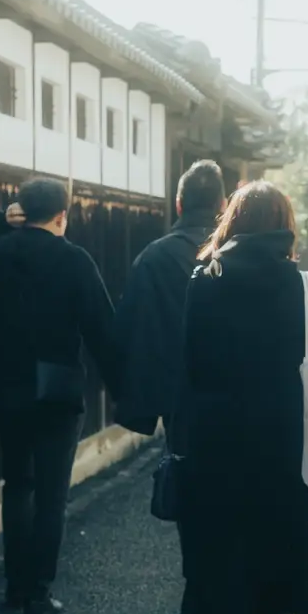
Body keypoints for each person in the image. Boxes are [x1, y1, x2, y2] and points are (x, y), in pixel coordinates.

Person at [171, 181, 308, 614]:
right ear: (285, 221)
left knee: (226, 540)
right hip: (282, 428)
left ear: (232, 220)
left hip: (218, 430)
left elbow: (189, 364)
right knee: (276, 532)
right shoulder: (299, 283)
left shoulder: (205, 277)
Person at [0, 177, 120, 614]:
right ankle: (38, 595)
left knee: (18, 485)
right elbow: (102, 329)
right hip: (59, 390)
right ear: (63, 215)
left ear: (21, 212)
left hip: (9, 385)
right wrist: (125, 391)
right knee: (51, 495)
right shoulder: (75, 260)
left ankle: (14, 585)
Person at [113, 160, 226, 437]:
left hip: (177, 396)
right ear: (223, 205)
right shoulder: (237, 252)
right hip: (236, 392)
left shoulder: (153, 258)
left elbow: (131, 329)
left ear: (178, 205)